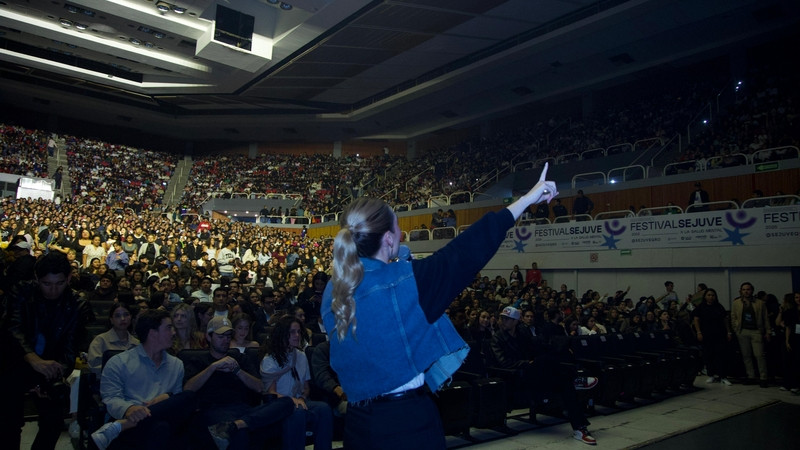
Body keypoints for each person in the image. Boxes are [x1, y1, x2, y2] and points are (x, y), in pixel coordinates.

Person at [321, 163, 559, 449]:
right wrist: (526, 199)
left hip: (358, 425)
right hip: (408, 425)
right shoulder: (408, 284)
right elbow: (468, 250)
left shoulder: (334, 288)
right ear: (387, 238)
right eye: (398, 227)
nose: (401, 234)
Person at [1, 252, 92, 450]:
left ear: (68, 278)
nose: (53, 290)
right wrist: (33, 360)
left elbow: (70, 348)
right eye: (46, 284)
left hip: (52, 367)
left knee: (52, 422)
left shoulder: (77, 305)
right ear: (36, 278)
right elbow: (12, 329)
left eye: (59, 283)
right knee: (8, 423)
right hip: (15, 361)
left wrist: (52, 375)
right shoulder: (21, 292)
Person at [182, 316, 295, 450]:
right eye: (221, 336)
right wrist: (212, 367)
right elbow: (187, 389)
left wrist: (237, 371)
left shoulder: (240, 359)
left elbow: (260, 387)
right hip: (213, 410)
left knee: (287, 402)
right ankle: (236, 426)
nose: (226, 340)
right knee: (241, 433)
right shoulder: (198, 360)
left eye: (229, 336)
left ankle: (236, 425)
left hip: (243, 409)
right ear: (208, 337)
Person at [491, 306, 597, 445]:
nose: (502, 321)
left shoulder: (522, 335)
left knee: (564, 382)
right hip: (515, 377)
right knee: (546, 364)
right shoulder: (497, 338)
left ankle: (579, 429)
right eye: (502, 318)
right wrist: (527, 363)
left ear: (516, 321)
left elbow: (536, 350)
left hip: (534, 375)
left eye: (507, 319)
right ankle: (575, 380)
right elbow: (504, 363)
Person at [93, 309, 196, 450]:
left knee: (188, 397)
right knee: (161, 428)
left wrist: (167, 396)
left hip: (154, 421)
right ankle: (125, 424)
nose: (174, 332)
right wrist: (130, 409)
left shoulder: (176, 364)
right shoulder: (119, 362)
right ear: (153, 333)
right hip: (132, 423)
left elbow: (177, 402)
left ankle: (120, 426)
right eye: (168, 328)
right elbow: (111, 398)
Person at [260, 316, 333, 450]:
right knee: (297, 411)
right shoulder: (270, 359)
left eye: (299, 332)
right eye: (292, 332)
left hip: (299, 400)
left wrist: (302, 397)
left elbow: (306, 387)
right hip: (279, 404)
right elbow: (271, 393)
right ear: (283, 334)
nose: (297, 335)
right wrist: (293, 400)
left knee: (324, 409)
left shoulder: (301, 355)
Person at [731, 282, 772, 387]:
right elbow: (733, 316)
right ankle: (751, 376)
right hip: (742, 331)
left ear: (752, 290)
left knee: (759, 355)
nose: (746, 291)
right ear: (741, 291)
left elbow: (765, 318)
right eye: (744, 289)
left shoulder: (760, 303)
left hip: (756, 331)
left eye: (748, 289)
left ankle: (763, 377)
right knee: (746, 356)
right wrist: (736, 328)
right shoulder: (736, 303)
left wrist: (768, 331)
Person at [692, 288, 732, 386]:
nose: (711, 297)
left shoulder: (719, 307)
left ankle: (723, 376)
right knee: (708, 355)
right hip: (706, 335)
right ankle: (711, 375)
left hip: (719, 335)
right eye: (709, 295)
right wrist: (698, 332)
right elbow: (696, 320)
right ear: (705, 296)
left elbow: (725, 319)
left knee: (721, 355)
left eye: (713, 295)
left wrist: (729, 332)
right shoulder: (701, 307)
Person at [87, 302, 140, 375]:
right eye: (117, 316)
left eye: (126, 315)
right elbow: (95, 368)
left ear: (131, 317)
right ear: (111, 319)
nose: (123, 319)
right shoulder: (100, 340)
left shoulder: (136, 343)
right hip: (108, 383)